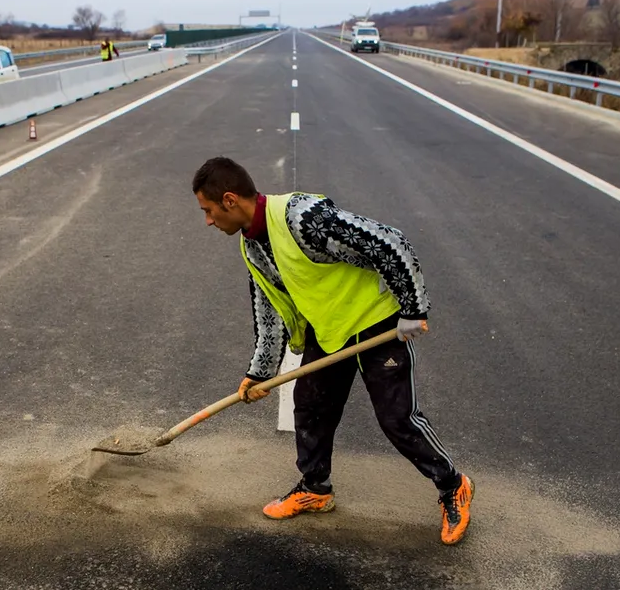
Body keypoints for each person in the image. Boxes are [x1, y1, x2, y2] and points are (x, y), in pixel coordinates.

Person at [191, 156, 474, 546]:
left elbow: (390, 241)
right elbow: (270, 310)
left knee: (397, 419)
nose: (207, 221)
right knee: (310, 406)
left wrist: (413, 308)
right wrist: (260, 373)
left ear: (229, 201)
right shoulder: (252, 246)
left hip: (378, 324)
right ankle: (316, 488)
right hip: (330, 332)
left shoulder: (302, 217)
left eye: (207, 211)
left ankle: (452, 485)